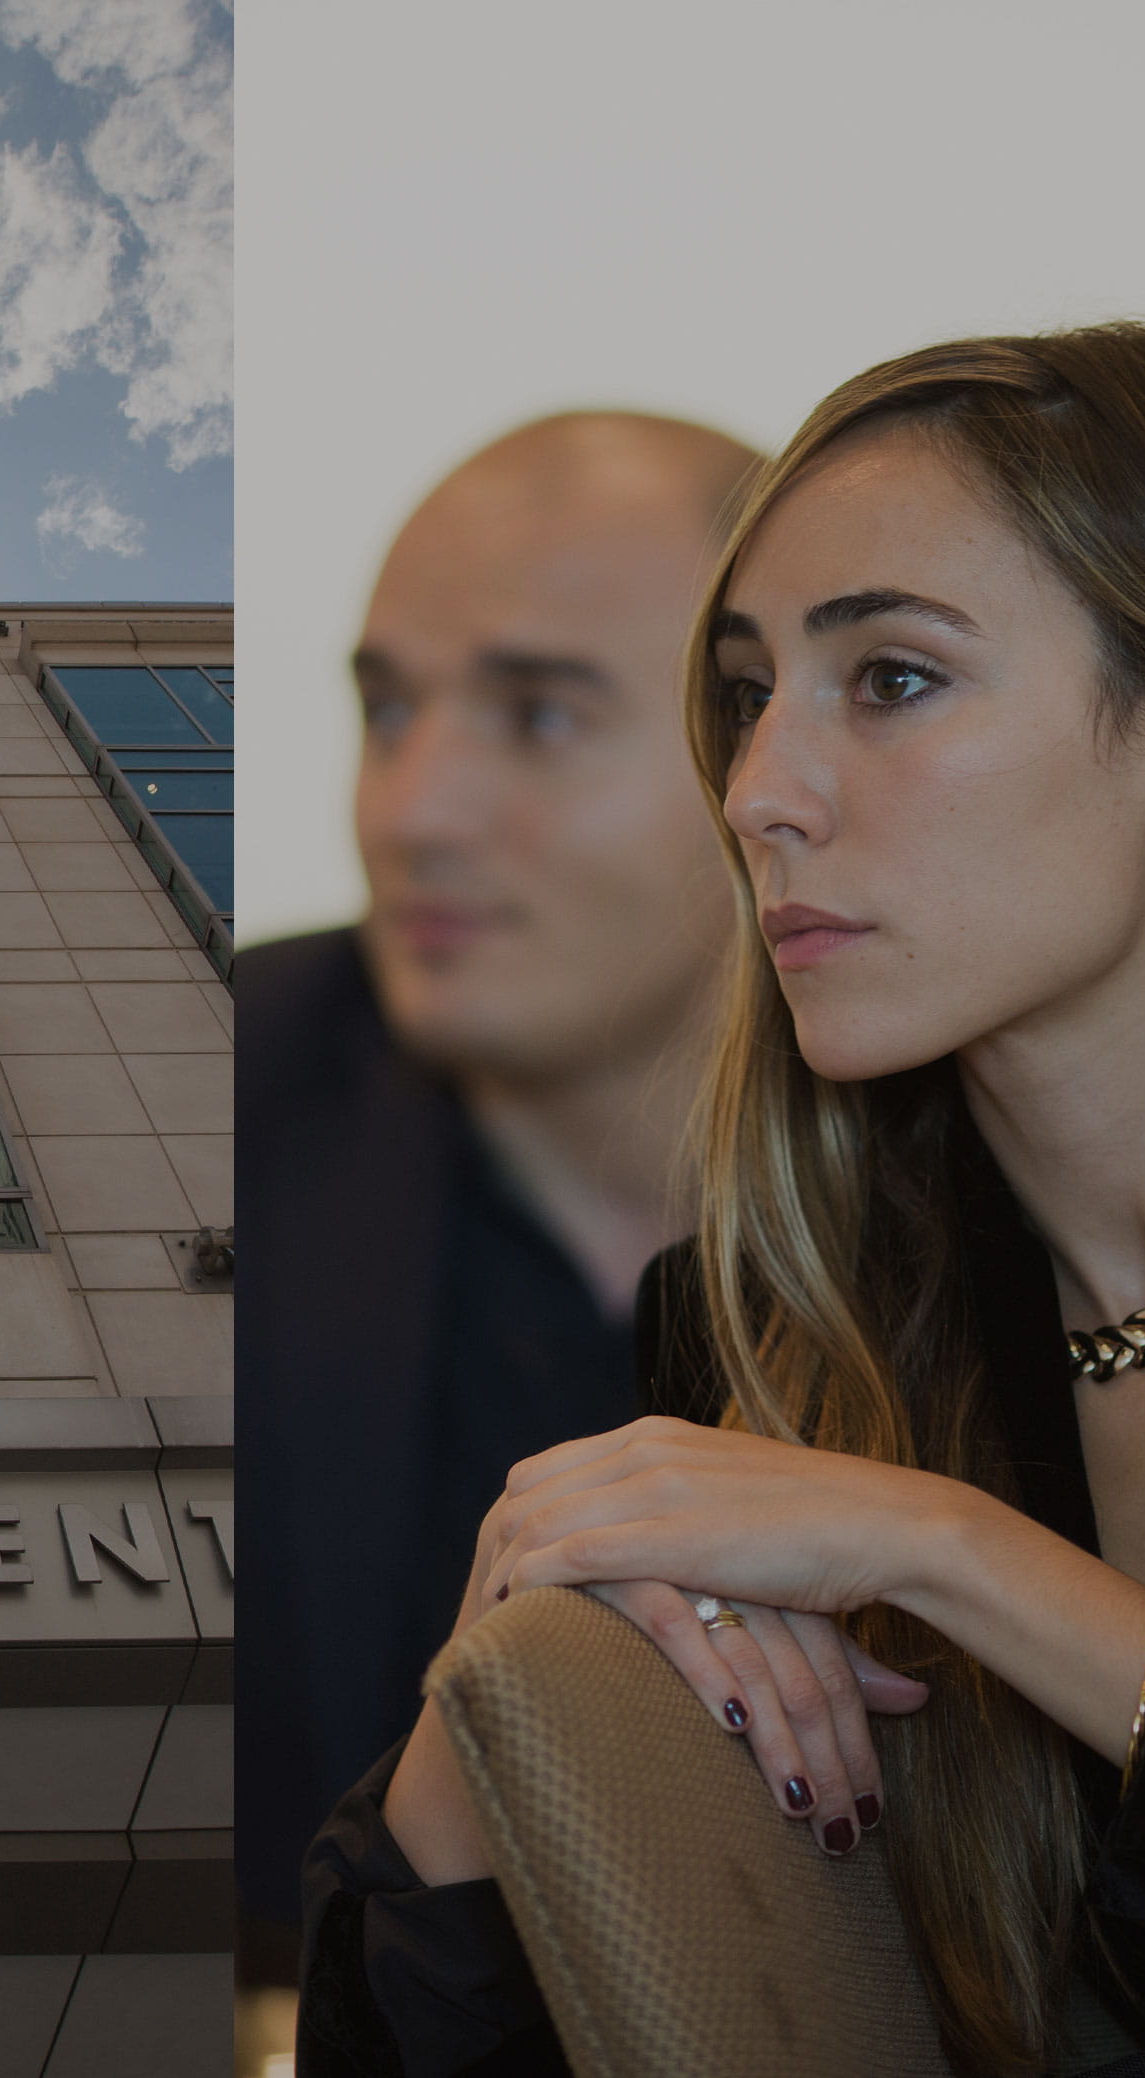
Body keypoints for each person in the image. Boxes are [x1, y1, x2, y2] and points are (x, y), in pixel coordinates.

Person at [301, 325, 1145, 2078]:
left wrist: (936, 1543)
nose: (762, 792)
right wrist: (513, 1679)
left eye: (896, 679)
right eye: (745, 696)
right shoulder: (764, 1337)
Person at [233, 413, 759, 1948]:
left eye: (537, 715)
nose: (413, 814)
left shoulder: (1045, 1176)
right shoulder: (222, 1085)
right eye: (389, 712)